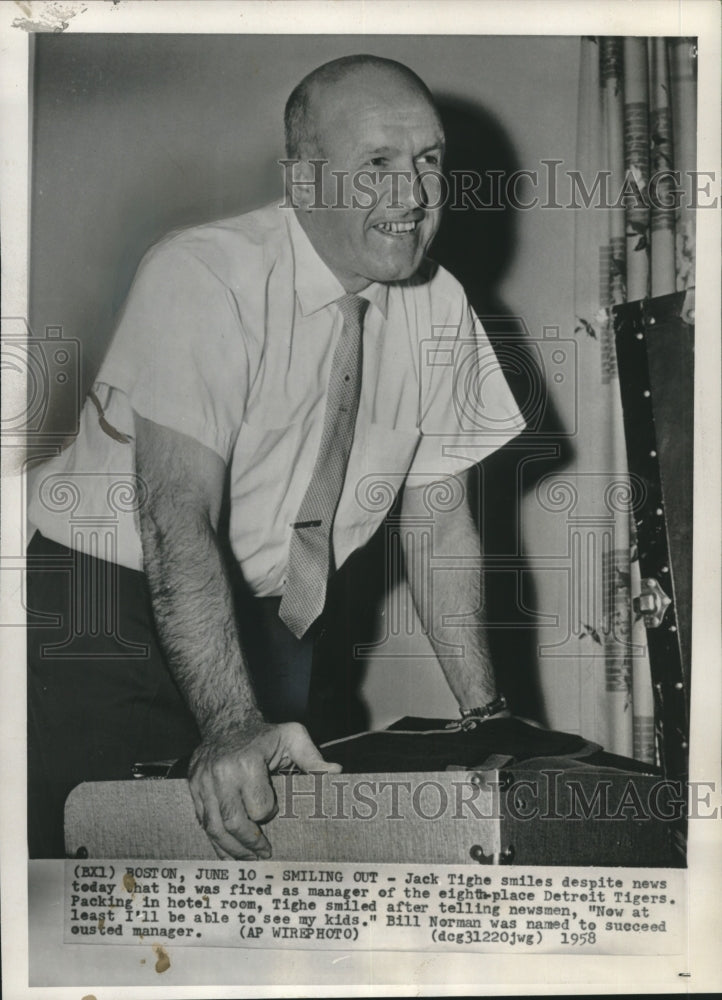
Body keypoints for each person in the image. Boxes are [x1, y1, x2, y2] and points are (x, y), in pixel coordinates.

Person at [26, 54, 525, 860]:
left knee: (263, 878)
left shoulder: (442, 304)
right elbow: (175, 516)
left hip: (269, 615)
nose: (413, 194)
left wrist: (491, 722)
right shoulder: (202, 276)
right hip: (102, 605)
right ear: (301, 181)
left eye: (428, 160)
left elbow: (440, 527)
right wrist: (229, 722)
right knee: (92, 878)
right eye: (377, 165)